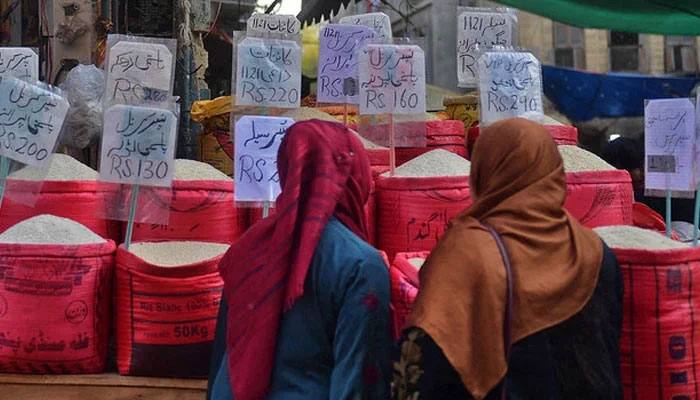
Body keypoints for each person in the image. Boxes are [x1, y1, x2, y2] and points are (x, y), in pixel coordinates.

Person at [392, 118, 623, 400]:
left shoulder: (467, 251)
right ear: (554, 172)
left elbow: (426, 358)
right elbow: (608, 352)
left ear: (484, 172)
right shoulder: (594, 251)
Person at [208, 120, 391, 400]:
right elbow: (358, 383)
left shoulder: (248, 248)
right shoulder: (362, 265)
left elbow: (224, 361)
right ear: (356, 174)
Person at [602, 136, 695, 223]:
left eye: (645, 166)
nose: (644, 173)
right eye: (636, 167)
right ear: (617, 169)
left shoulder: (660, 195)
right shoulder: (607, 202)